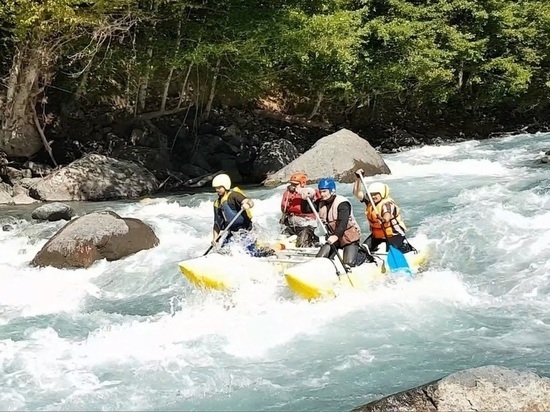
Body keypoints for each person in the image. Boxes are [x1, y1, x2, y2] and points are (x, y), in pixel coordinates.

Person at [211, 173, 273, 257]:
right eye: (216, 188)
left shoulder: (234, 196)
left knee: (251, 253)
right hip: (232, 232)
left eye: (219, 188)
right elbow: (217, 224)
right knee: (224, 252)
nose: (217, 190)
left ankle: (266, 254)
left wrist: (247, 205)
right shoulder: (217, 203)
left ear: (225, 186)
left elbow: (249, 201)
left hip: (245, 229)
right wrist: (215, 238)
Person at [352, 169, 413, 254]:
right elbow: (356, 193)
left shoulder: (387, 204)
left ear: (382, 194)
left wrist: (383, 219)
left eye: (375, 194)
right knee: (364, 249)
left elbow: (387, 216)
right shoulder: (370, 202)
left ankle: (406, 248)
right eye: (371, 194)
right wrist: (358, 179)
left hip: (393, 234)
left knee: (391, 251)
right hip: (378, 235)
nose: (373, 197)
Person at [312, 178, 361, 268]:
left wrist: (336, 236)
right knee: (319, 258)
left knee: (348, 264)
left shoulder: (343, 203)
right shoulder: (321, 202)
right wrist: (305, 195)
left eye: (324, 191)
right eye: (320, 192)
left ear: (332, 191)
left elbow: (343, 223)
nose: (322, 194)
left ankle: (362, 255)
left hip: (349, 238)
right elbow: (306, 208)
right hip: (333, 238)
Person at [280, 173, 320, 247]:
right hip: (291, 224)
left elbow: (310, 192)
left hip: (306, 225)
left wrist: (296, 189)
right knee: (282, 241)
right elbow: (284, 210)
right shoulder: (288, 193)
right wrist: (282, 221)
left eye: (295, 184)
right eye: (291, 184)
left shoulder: (307, 192)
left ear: (302, 183)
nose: (292, 186)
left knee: (301, 244)